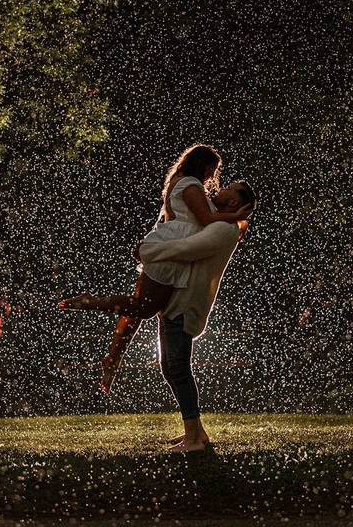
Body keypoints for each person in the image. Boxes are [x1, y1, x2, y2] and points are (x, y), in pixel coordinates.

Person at [58, 143, 253, 393]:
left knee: (139, 306)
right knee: (144, 307)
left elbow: (181, 218)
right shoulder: (191, 185)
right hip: (170, 254)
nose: (214, 177)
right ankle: (90, 302)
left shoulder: (188, 183)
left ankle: (113, 358)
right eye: (212, 169)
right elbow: (204, 220)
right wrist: (238, 217)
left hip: (170, 249)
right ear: (202, 165)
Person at [136, 212, 255, 451]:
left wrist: (148, 252)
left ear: (235, 202)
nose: (221, 190)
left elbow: (187, 248)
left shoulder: (222, 228)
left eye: (229, 189)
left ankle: (193, 439)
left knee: (178, 366)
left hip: (185, 302)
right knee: (169, 365)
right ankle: (196, 431)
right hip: (178, 299)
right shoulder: (220, 223)